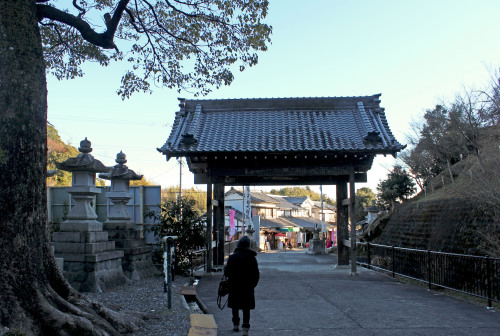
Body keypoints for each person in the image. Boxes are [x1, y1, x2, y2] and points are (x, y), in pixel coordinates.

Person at [224, 236, 259, 335]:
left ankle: (235, 325)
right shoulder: (252, 258)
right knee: (246, 308)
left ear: (238, 244)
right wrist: (253, 285)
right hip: (247, 287)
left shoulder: (232, 257)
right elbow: (256, 274)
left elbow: (227, 272)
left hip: (234, 286)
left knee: (235, 306)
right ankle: (245, 329)